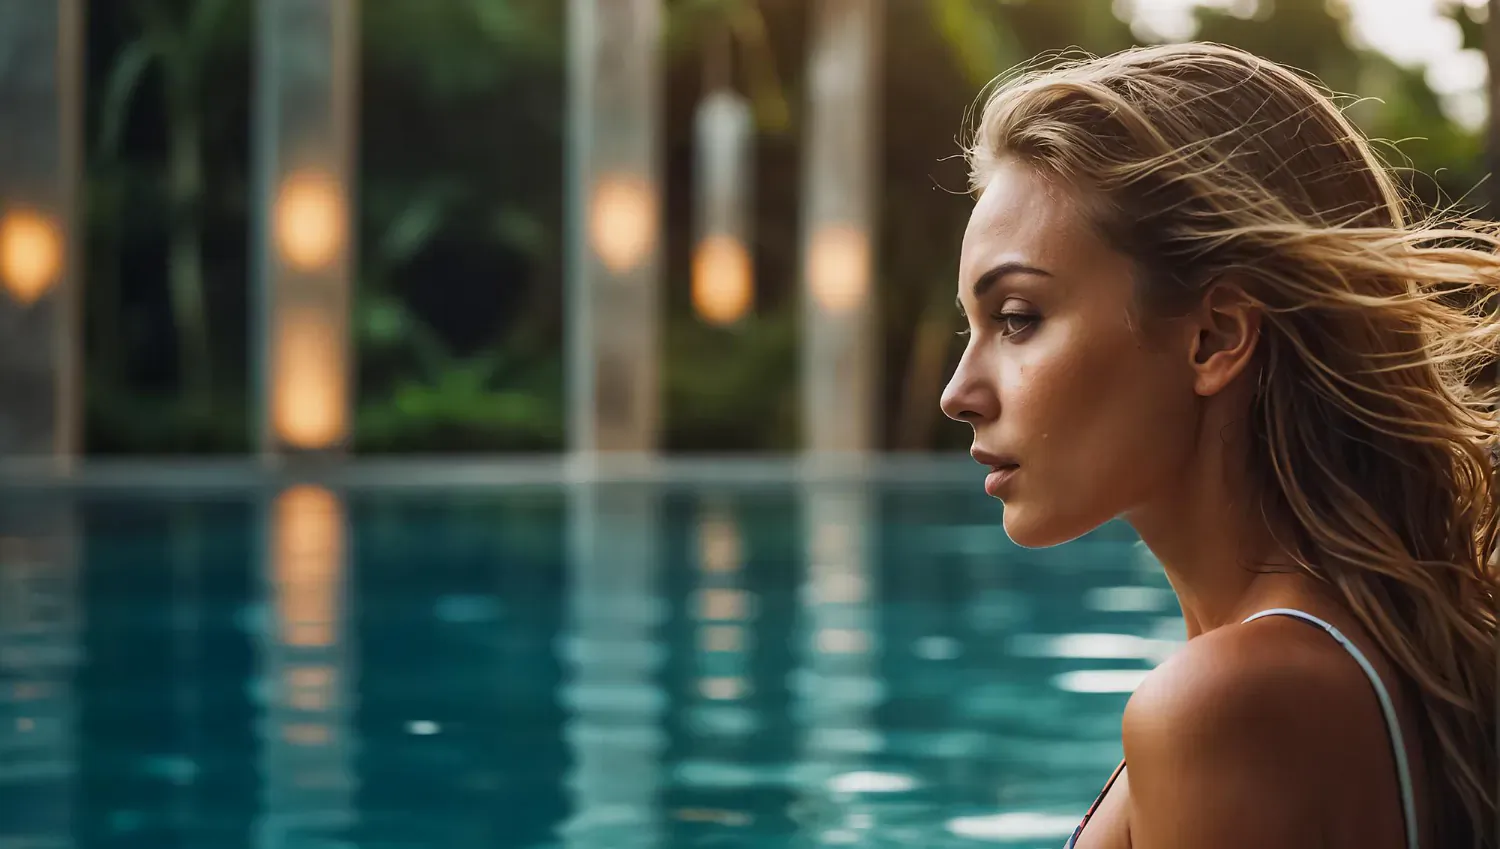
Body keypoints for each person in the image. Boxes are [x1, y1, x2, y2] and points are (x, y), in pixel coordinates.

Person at [940, 42, 1497, 849]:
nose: (959, 392)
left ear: (1214, 337)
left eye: (1018, 318)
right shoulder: (1358, 655)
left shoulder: (1230, 704)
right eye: (973, 325)